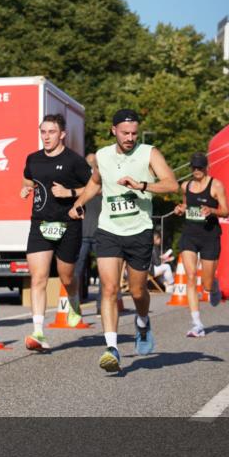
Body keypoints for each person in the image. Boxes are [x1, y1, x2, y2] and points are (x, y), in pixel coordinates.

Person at [70, 109, 178, 373]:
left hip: (139, 230)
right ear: (113, 130)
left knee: (139, 291)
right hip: (109, 230)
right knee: (109, 289)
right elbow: (96, 182)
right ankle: (112, 348)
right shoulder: (103, 156)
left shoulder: (149, 153)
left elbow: (171, 184)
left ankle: (143, 322)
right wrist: (79, 202)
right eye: (125, 133)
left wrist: (141, 185)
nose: (130, 138)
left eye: (133, 133)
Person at [19, 113, 91, 351]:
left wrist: (69, 193)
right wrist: (26, 189)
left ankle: (73, 301)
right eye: (43, 131)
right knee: (37, 278)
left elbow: (94, 187)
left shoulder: (74, 161)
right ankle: (38, 331)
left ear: (62, 134)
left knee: (66, 276)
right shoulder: (33, 159)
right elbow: (28, 179)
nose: (46, 136)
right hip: (40, 224)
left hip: (68, 224)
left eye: (51, 132)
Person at [173, 152, 228, 337]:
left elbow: (226, 211)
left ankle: (213, 285)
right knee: (190, 276)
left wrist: (212, 210)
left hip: (209, 236)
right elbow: (186, 206)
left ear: (206, 167)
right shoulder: (186, 185)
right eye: (194, 168)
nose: (196, 171)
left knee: (206, 284)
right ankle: (197, 323)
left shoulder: (216, 185)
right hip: (190, 234)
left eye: (200, 168)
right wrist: (181, 209)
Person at [75, 152, 102, 303]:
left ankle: (74, 304)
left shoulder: (84, 181)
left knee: (78, 271)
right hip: (94, 231)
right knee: (102, 272)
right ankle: (98, 304)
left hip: (90, 231)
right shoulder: (99, 180)